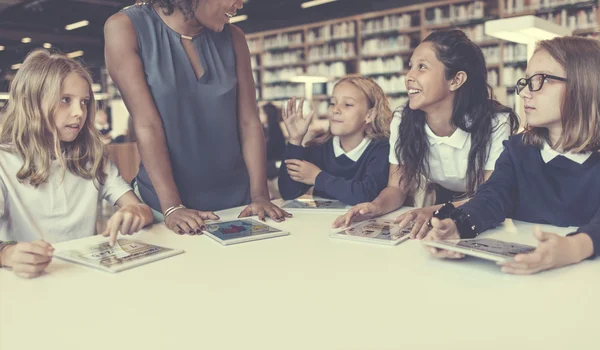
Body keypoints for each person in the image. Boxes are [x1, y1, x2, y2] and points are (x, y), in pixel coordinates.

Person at [104, 0, 290, 236]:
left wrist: (260, 195)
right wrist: (172, 207)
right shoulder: (125, 27)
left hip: (239, 205)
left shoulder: (234, 37)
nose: (241, 4)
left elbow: (249, 122)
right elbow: (147, 125)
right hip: (165, 205)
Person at [425, 36, 600, 275]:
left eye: (541, 80)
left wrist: (574, 247)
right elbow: (493, 196)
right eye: (526, 81)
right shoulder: (517, 149)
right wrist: (459, 225)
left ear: (584, 85)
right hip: (519, 277)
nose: (525, 93)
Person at [333, 29, 519, 237]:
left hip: (488, 217)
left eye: (422, 67)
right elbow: (396, 188)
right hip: (446, 204)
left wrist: (433, 211)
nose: (409, 76)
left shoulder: (496, 122)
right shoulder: (402, 120)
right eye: (411, 66)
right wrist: (375, 207)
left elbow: (489, 197)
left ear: (456, 80)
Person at [0, 49, 153, 279]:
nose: (78, 112)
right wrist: (8, 254)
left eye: (84, 102)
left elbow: (142, 209)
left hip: (85, 277)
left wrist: (135, 212)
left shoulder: (93, 159)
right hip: (29, 285)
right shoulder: (4, 162)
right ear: (31, 103)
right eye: (65, 100)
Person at [278, 76, 391, 205]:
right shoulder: (319, 146)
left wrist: (317, 177)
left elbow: (367, 194)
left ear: (369, 115)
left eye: (347, 104)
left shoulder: (381, 148)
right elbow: (288, 192)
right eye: (332, 103)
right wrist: (295, 140)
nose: (335, 110)